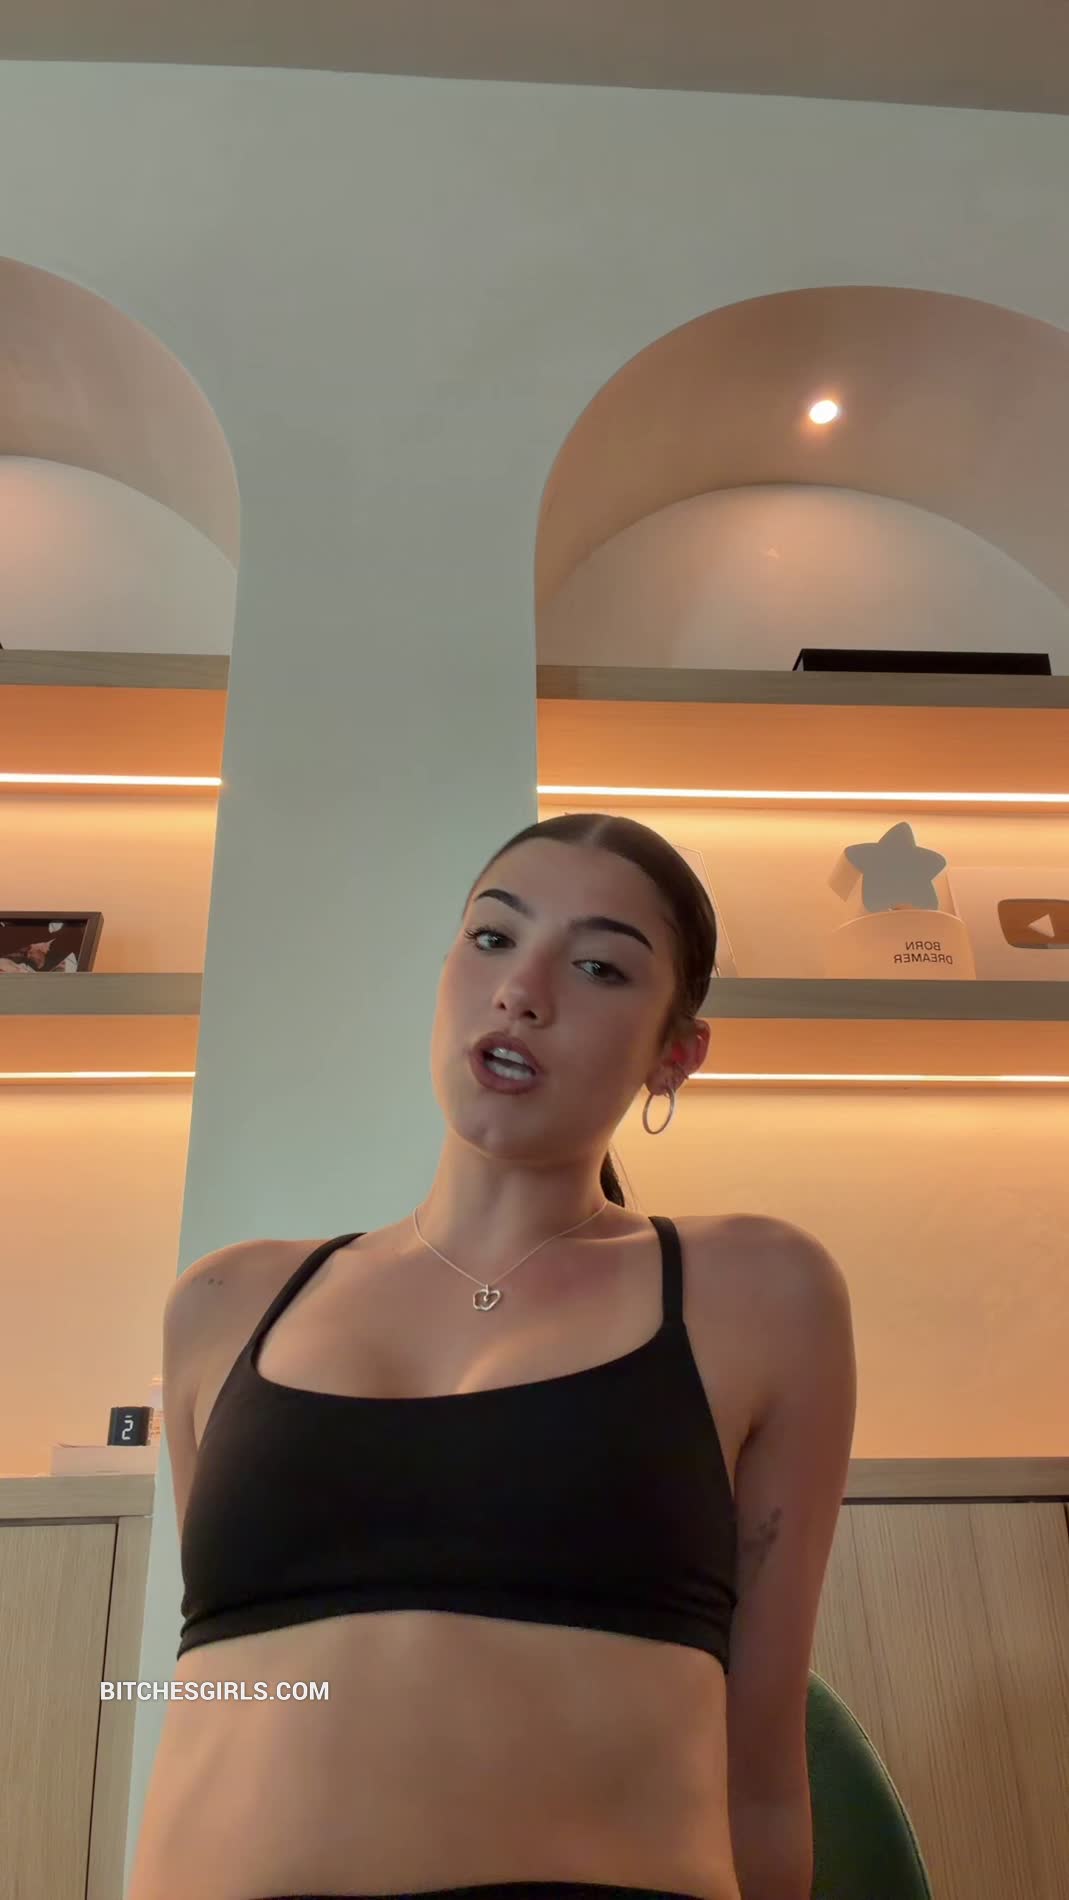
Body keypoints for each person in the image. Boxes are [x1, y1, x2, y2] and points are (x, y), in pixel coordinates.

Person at [130, 811, 856, 1900]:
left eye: (600, 966)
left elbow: (759, 1777)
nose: (521, 990)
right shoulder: (225, 1304)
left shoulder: (756, 1290)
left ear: (676, 1054)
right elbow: (218, 1699)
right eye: (491, 938)